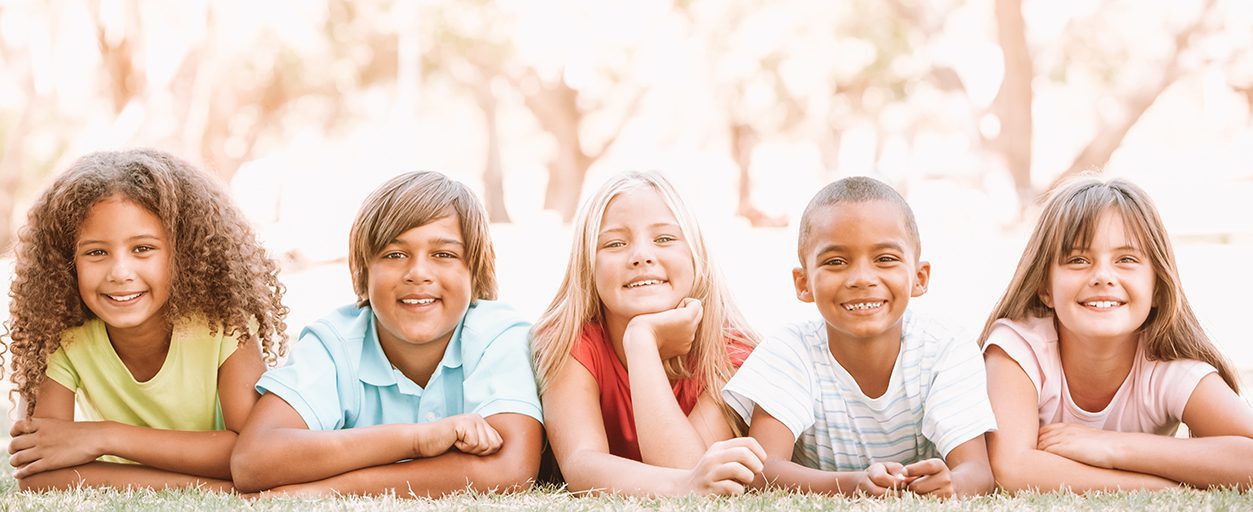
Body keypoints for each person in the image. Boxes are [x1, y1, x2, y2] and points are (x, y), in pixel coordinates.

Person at [231, 171, 543, 496]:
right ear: (363, 272)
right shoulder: (334, 343)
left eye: (444, 255)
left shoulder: (499, 334)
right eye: (395, 255)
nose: (418, 273)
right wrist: (418, 439)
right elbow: (253, 460)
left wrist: (336, 488)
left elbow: (511, 469)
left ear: (474, 270)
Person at [5, 149, 288, 491]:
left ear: (183, 253)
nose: (120, 273)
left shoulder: (224, 325)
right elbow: (37, 471)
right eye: (96, 252)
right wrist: (217, 489)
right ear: (66, 261)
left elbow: (254, 452)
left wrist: (104, 437)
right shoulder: (60, 335)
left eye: (143, 249)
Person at [724, 176, 995, 498]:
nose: (862, 278)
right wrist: (854, 484)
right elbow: (762, 469)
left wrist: (952, 484)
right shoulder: (789, 351)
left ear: (920, 278)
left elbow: (977, 471)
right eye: (836, 262)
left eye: (885, 259)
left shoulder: (946, 348)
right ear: (803, 283)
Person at [980, 176, 1253, 492]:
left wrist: (1112, 447)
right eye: (1078, 260)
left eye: (1126, 259)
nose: (1103, 277)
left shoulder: (1168, 366)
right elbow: (1011, 468)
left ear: (1157, 287)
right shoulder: (1018, 348)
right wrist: (1156, 488)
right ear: (1045, 287)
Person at [532, 171, 765, 496]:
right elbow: (581, 465)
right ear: (589, 265)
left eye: (665, 239)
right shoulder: (571, 341)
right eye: (615, 243)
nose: (642, 255)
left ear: (697, 255)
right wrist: (643, 338)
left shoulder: (731, 354)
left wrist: (640, 342)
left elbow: (687, 466)